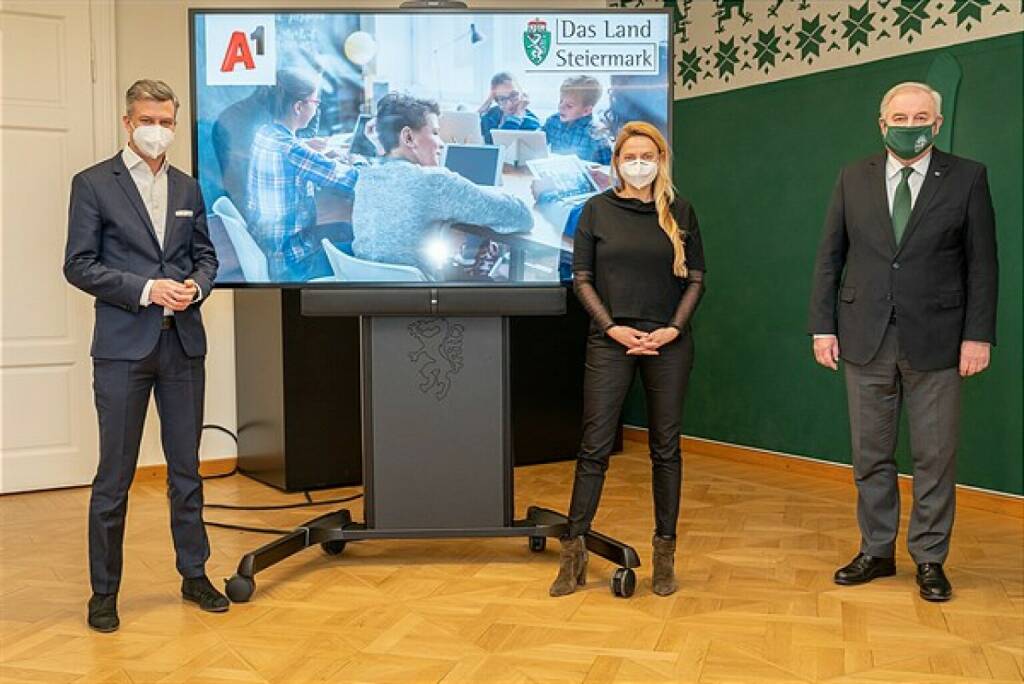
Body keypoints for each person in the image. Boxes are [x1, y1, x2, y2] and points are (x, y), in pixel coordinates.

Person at [808, 82, 998, 602]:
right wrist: (823, 327)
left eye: (920, 117)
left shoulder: (968, 177)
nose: (909, 125)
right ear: (882, 123)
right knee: (870, 453)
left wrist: (978, 336)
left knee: (935, 456)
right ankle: (876, 550)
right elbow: (829, 256)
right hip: (863, 336)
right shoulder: (852, 177)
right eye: (899, 117)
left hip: (939, 340)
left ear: (937, 124)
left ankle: (930, 558)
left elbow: (983, 264)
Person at [63, 79, 227, 633]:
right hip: (122, 351)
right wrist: (146, 289)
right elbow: (79, 265)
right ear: (128, 123)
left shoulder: (188, 188)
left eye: (167, 122)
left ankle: (194, 575)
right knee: (114, 477)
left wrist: (195, 288)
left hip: (183, 346)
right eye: (148, 120)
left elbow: (206, 257)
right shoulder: (93, 184)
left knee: (187, 471)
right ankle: (104, 593)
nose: (158, 130)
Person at [551, 121, 706, 597]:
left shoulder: (680, 210)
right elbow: (581, 279)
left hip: (669, 343)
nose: (639, 164)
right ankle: (573, 552)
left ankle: (665, 555)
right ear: (617, 162)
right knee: (594, 448)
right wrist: (612, 328)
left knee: (666, 450)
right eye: (630, 156)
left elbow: (696, 278)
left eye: (647, 156)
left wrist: (673, 329)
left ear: (661, 160)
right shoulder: (595, 210)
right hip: (610, 340)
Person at [351, 93, 533, 275]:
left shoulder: (366, 176)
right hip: (419, 291)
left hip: (364, 286)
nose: (441, 143)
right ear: (408, 137)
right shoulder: (434, 182)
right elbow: (522, 216)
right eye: (435, 133)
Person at [246, 68, 360, 281]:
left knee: (343, 230)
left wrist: (306, 146)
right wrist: (356, 159)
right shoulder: (294, 151)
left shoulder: (264, 133)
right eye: (316, 102)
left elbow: (290, 150)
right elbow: (352, 180)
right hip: (292, 263)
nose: (317, 109)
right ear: (298, 107)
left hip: (269, 247)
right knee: (359, 242)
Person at [542, 75, 612, 164]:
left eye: (569, 106)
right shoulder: (553, 121)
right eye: (561, 101)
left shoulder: (597, 133)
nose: (561, 107)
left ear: (586, 110)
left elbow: (608, 167)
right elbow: (535, 143)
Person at [478, 72, 541, 145]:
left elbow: (501, 145)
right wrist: (486, 103)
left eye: (513, 95)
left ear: (522, 94)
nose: (509, 103)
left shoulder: (531, 122)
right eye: (502, 99)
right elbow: (470, 134)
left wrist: (517, 116)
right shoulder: (491, 115)